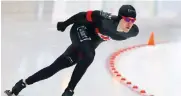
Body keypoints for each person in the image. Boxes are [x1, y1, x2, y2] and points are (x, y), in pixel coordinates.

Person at [5, 4, 139, 96]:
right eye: (127, 19)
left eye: (133, 20)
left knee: (55, 67)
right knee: (89, 55)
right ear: (120, 17)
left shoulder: (133, 32)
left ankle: (22, 84)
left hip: (87, 44)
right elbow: (81, 15)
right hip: (79, 29)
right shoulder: (104, 19)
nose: (130, 23)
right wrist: (65, 24)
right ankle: (69, 91)